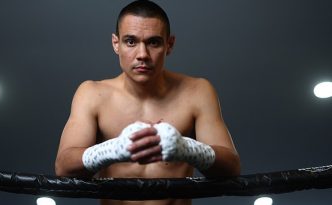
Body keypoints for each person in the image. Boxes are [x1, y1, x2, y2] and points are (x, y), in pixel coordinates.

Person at [55, 0, 240, 204]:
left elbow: (232, 168)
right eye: (131, 42)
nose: (142, 55)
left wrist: (187, 149)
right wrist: (113, 149)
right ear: (116, 44)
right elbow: (63, 168)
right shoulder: (92, 94)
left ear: (169, 45)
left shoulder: (197, 92)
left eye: (153, 42)